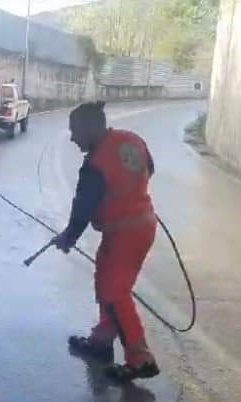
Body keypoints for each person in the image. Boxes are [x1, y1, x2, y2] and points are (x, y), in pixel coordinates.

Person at [52, 101, 160, 383]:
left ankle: (140, 360)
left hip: (126, 233)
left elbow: (82, 211)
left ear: (90, 128)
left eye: (75, 131)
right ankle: (101, 341)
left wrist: (68, 238)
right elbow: (150, 168)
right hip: (141, 226)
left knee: (114, 292)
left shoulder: (95, 163)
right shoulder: (131, 139)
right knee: (107, 283)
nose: (73, 138)